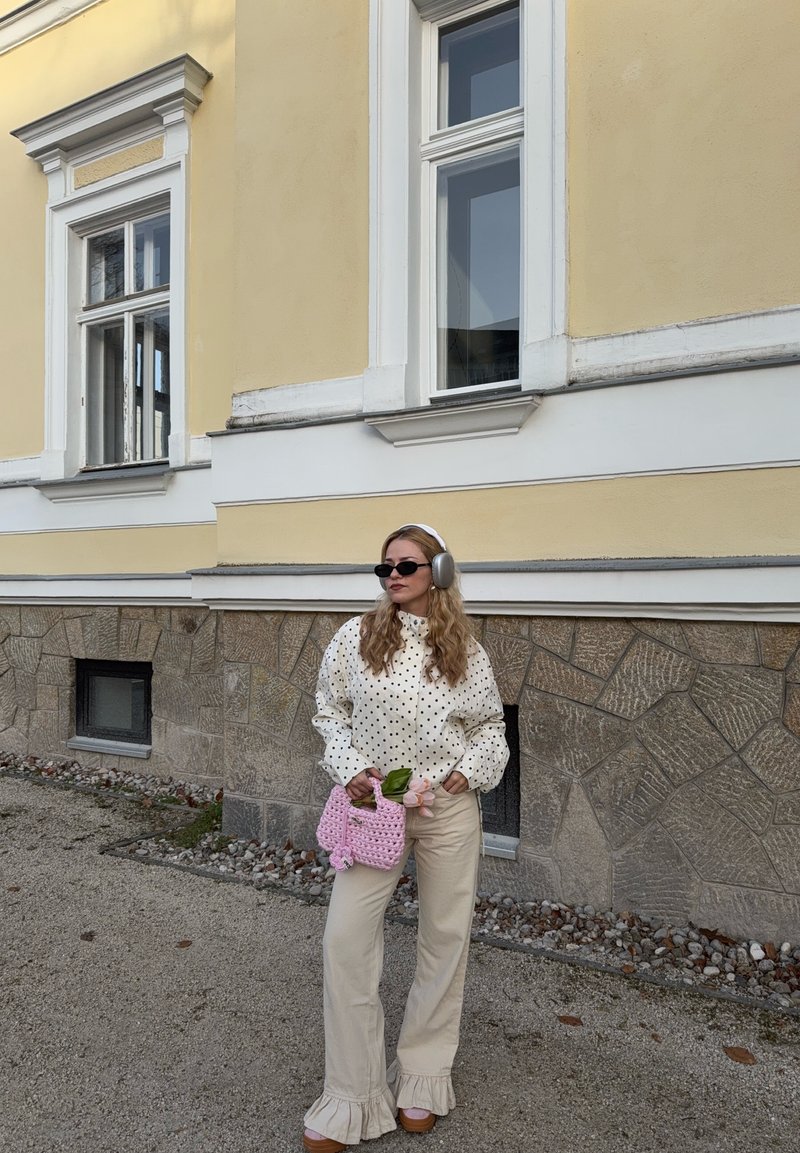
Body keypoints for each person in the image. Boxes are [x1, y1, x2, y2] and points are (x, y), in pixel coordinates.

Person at [303, 523, 509, 1152]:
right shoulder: (355, 638)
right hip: (376, 807)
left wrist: (463, 774)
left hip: (446, 809)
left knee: (444, 937)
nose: (393, 576)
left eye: (407, 565)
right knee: (345, 939)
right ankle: (353, 1095)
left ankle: (421, 1075)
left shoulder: (464, 649)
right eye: (385, 567)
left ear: (438, 572)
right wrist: (351, 769)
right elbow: (328, 712)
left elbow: (490, 727)